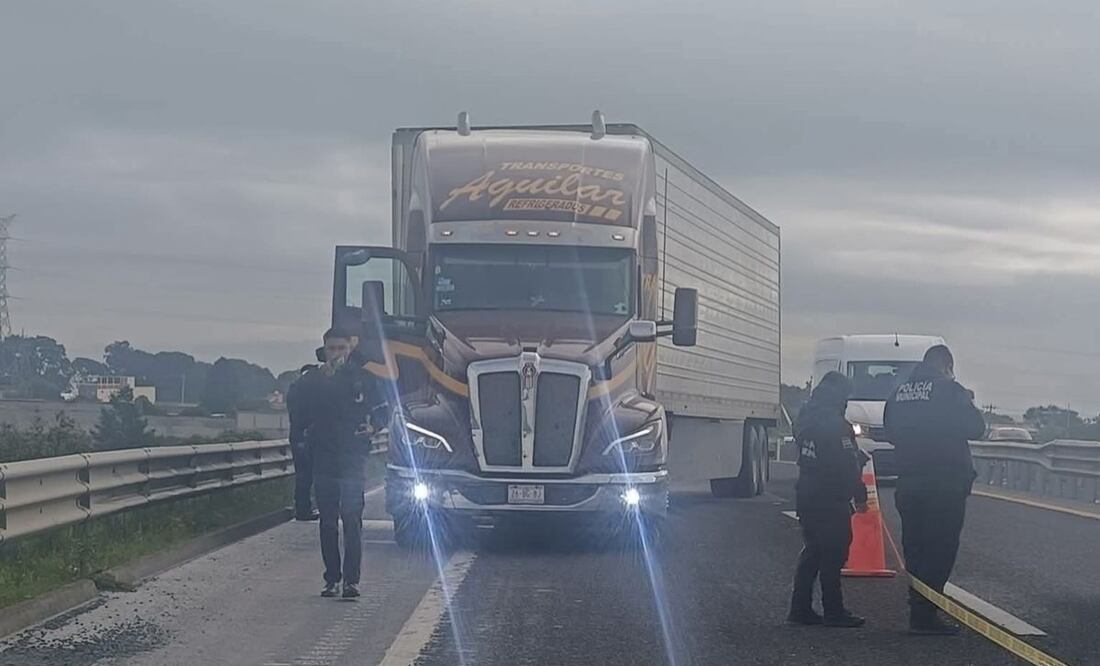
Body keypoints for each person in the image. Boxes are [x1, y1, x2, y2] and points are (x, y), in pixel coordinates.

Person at [884, 344, 986, 635]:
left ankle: (918, 608)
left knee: (915, 548)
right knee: (940, 549)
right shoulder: (949, 390)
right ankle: (925, 614)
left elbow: (890, 432)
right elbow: (976, 428)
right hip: (945, 484)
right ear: (946, 366)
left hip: (909, 481)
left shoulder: (899, 394)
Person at [289, 328, 384, 600]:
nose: (336, 354)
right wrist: (302, 445)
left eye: (341, 348)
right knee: (328, 521)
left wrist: (374, 427)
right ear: (324, 349)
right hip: (324, 456)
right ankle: (331, 578)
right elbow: (297, 414)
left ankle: (351, 581)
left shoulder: (364, 379)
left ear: (350, 348)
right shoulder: (311, 381)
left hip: (354, 455)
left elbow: (384, 409)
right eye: (332, 349)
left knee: (352, 518)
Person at [788, 371, 868, 628]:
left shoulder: (804, 418)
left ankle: (799, 609)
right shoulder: (837, 424)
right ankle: (834, 611)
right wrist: (860, 494)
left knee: (812, 551)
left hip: (807, 493)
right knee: (834, 554)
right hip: (830, 496)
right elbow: (846, 465)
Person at [287, 363, 320, 522]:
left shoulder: (294, 387)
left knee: (302, 475)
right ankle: (304, 509)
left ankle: (302, 507)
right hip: (309, 435)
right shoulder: (311, 389)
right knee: (310, 475)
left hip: (297, 435)